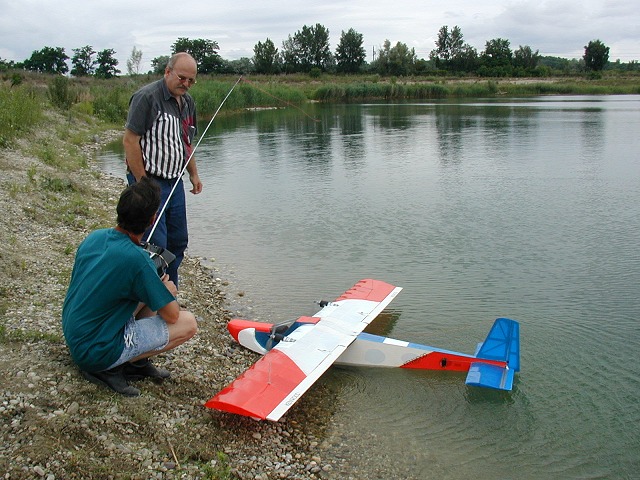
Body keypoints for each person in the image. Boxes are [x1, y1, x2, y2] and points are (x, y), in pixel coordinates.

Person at [62, 177, 198, 397]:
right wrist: (168, 292)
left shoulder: (94, 237)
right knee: (188, 323)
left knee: (148, 293)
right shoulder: (137, 260)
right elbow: (172, 316)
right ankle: (109, 366)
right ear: (153, 219)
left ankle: (136, 364)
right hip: (95, 351)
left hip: (77, 334)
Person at [123, 51, 202, 286]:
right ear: (167, 72)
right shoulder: (146, 97)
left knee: (178, 241)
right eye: (181, 78)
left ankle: (170, 290)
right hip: (150, 182)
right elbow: (130, 140)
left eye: (191, 80)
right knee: (156, 243)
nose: (186, 84)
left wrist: (193, 174)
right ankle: (154, 299)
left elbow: (186, 142)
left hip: (175, 181)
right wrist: (142, 184)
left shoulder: (187, 103)